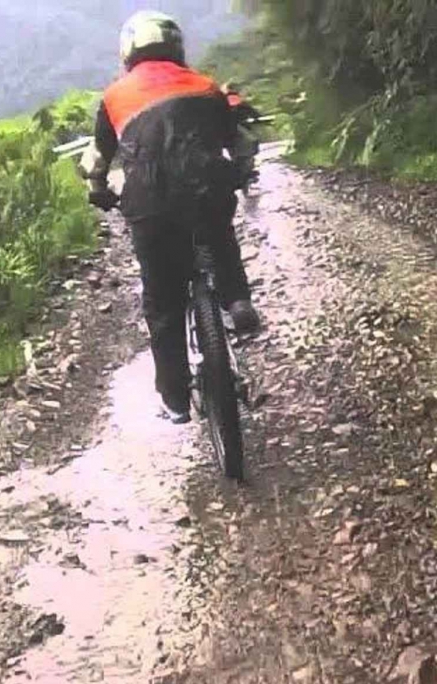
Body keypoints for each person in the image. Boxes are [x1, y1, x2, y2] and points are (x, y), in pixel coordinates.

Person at [79, 10, 260, 424]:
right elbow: (240, 140)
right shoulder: (205, 86)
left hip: (149, 204)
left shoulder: (113, 97)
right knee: (219, 234)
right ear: (176, 47)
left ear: (128, 51)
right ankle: (237, 298)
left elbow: (96, 161)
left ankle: (176, 400)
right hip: (208, 187)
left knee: (162, 300)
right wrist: (243, 170)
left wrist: (98, 191)